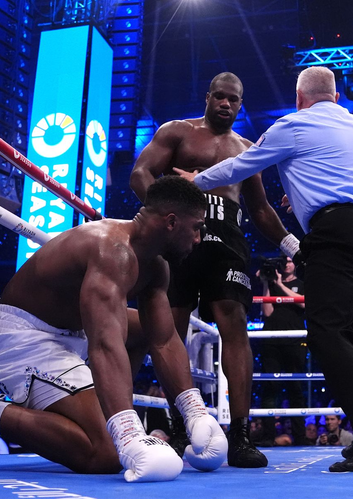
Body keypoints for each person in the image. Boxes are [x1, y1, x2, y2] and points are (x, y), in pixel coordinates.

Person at [175, 65, 353, 472]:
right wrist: (301, 199)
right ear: (336, 98)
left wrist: (192, 183)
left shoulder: (292, 125)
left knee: (327, 333)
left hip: (338, 233)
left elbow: (239, 166)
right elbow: (335, 176)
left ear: (300, 98)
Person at [0, 177, 227, 483]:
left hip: (68, 336)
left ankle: (111, 411)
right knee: (105, 454)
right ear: (171, 222)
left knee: (144, 328)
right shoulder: (110, 250)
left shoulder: (156, 265)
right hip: (21, 338)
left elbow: (164, 339)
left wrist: (194, 411)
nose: (198, 239)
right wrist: (127, 434)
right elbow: (105, 344)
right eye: (197, 228)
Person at [129, 72, 302, 468]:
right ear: (207, 97)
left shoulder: (245, 149)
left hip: (227, 242)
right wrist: (166, 216)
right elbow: (140, 173)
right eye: (219, 96)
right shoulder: (177, 132)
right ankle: (176, 427)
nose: (225, 104)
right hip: (176, 241)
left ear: (241, 105)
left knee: (235, 324)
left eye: (233, 99)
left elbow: (259, 209)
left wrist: (293, 245)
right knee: (167, 329)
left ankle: (239, 435)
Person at [257, 255, 306, 446]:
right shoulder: (271, 284)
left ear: (295, 265)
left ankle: (300, 437)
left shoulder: (301, 284)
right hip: (271, 340)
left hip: (295, 340)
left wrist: (280, 284)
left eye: (290, 260)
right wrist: (267, 283)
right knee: (270, 387)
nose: (287, 264)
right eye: (283, 261)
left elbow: (303, 302)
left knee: (296, 388)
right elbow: (267, 312)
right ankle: (268, 436)